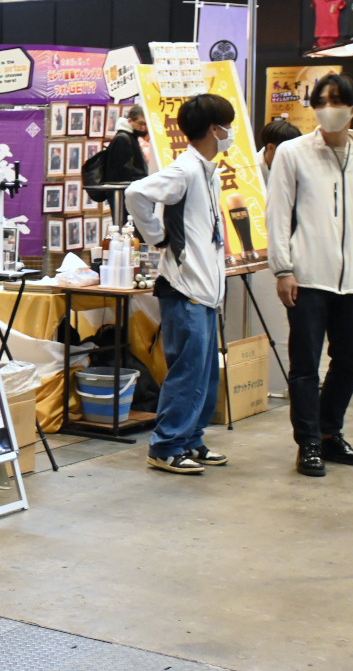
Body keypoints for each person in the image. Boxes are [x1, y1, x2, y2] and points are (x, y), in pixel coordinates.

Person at [125, 93, 234, 475]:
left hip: (205, 290)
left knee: (204, 373)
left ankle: (190, 439)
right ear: (214, 129)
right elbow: (136, 193)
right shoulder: (185, 170)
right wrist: (156, 236)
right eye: (227, 126)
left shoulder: (208, 171)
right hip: (185, 288)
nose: (230, 133)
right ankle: (166, 445)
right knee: (187, 372)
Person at [266, 73, 353, 476]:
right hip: (307, 277)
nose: (328, 109)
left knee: (351, 362)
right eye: (321, 101)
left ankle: (328, 432)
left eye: (337, 101)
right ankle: (308, 443)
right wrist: (282, 269)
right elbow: (277, 212)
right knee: (305, 365)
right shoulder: (293, 151)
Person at [257, 118, 302, 183]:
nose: (290, 156)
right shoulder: (250, 167)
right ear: (271, 147)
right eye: (286, 152)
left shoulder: (297, 167)